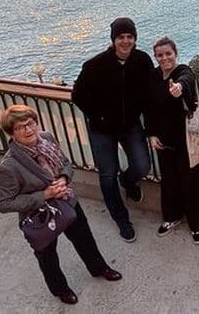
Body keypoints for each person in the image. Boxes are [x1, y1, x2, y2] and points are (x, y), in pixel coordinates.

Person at [0, 105, 122, 305]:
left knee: (85, 239)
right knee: (47, 256)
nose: (28, 130)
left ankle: (99, 268)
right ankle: (60, 289)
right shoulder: (9, 166)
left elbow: (65, 162)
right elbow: (4, 203)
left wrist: (64, 178)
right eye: (20, 127)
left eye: (30, 123)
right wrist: (44, 194)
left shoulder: (46, 138)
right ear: (12, 133)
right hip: (40, 216)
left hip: (67, 200)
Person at [71, 17, 155, 243]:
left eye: (129, 37)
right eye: (121, 37)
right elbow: (78, 96)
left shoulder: (142, 61)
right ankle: (122, 220)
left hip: (130, 126)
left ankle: (128, 181)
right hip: (102, 129)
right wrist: (99, 116)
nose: (125, 41)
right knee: (107, 176)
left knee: (142, 165)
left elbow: (150, 93)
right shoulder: (95, 65)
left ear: (135, 39)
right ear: (113, 40)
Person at [148, 36, 199, 244]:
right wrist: (152, 134)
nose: (165, 58)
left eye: (168, 54)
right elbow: (149, 109)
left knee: (191, 181)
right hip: (163, 140)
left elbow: (187, 79)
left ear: (175, 53)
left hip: (186, 139)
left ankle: (197, 223)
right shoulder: (153, 77)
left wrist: (179, 88)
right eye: (160, 55)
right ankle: (172, 216)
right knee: (169, 181)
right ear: (155, 57)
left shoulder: (184, 71)